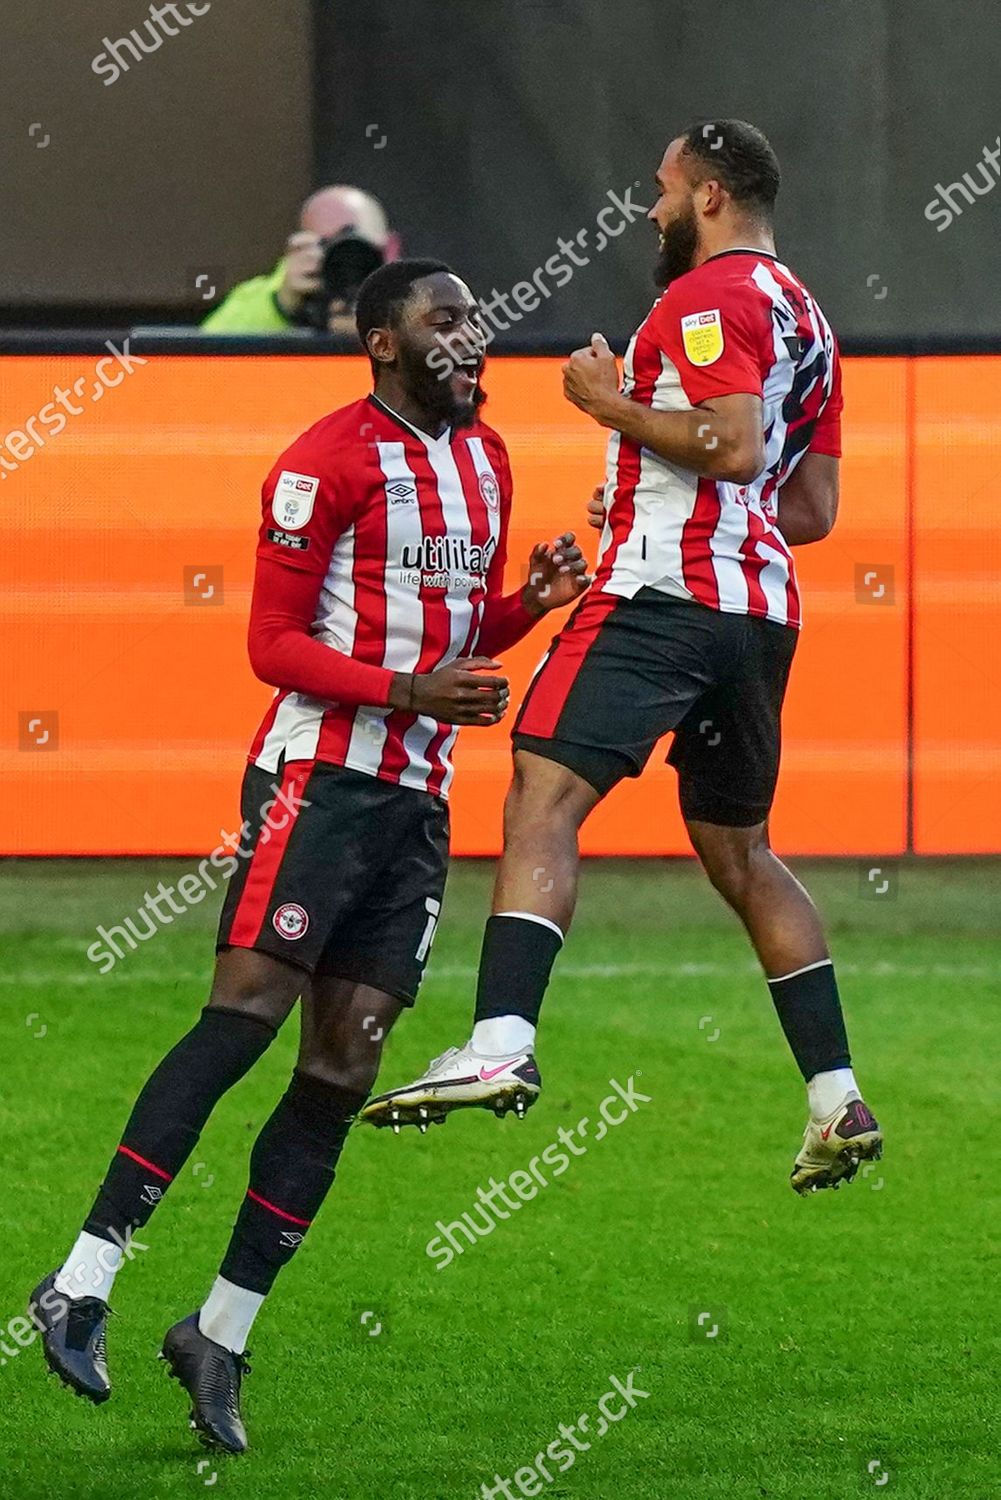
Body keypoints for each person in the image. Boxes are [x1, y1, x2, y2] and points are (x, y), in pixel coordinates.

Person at [28, 259, 588, 1453]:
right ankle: (81, 1280)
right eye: (443, 321)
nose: (467, 339)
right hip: (315, 782)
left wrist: (524, 607)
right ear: (382, 344)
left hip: (416, 804)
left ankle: (218, 1334)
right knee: (243, 1014)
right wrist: (404, 688)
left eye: (473, 321)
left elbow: (447, 635)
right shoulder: (320, 462)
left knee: (343, 1065)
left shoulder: (485, 461)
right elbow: (271, 643)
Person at [362, 121, 884, 1197]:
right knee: (741, 854)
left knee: (542, 791)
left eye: (660, 191)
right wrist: (653, 482)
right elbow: (807, 506)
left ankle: (501, 1038)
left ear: (706, 198)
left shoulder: (706, 298)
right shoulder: (808, 316)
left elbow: (729, 444)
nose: (646, 210)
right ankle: (833, 1096)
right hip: (757, 610)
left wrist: (606, 407)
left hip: (661, 595)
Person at [201, 185, 401, 334]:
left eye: (356, 246)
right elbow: (205, 358)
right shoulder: (271, 296)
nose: (344, 260)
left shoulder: (418, 298)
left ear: (390, 249)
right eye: (327, 246)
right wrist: (282, 306)